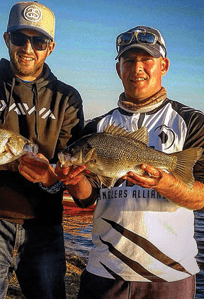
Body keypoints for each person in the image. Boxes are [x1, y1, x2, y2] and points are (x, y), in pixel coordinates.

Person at [0, 2, 84, 298]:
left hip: (44, 227)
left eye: (38, 41)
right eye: (20, 38)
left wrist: (50, 179)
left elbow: (69, 167)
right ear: (7, 39)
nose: (28, 48)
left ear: (50, 47)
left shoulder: (67, 99)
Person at [55, 26, 204, 299]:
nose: (137, 67)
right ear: (119, 69)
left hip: (170, 276)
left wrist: (168, 185)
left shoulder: (193, 122)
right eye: (128, 61)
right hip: (105, 270)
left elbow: (201, 197)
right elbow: (88, 199)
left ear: (164, 65)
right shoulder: (95, 128)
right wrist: (74, 179)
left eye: (146, 59)